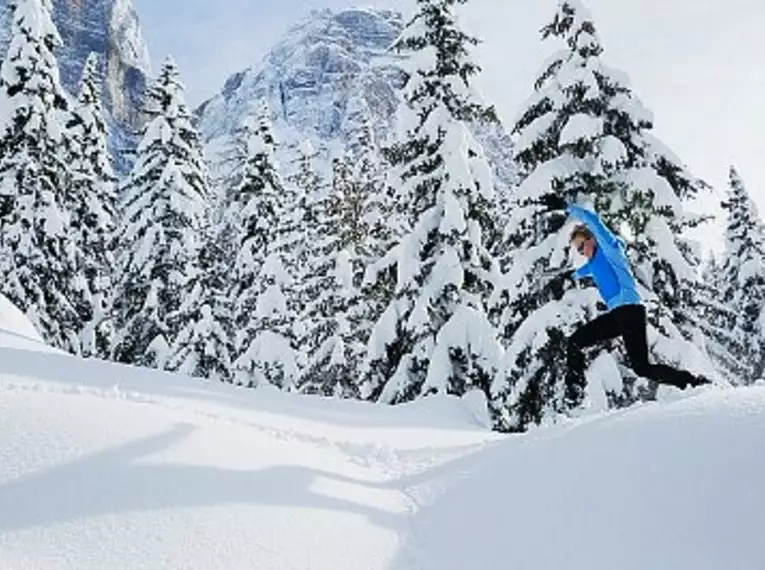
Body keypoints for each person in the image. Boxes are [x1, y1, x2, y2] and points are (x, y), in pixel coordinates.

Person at [539, 193, 710, 390]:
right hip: (617, 315)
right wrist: (566, 278)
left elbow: (592, 219)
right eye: (578, 250)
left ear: (592, 238)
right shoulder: (593, 264)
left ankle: (691, 382)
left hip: (630, 311)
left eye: (582, 246)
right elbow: (581, 272)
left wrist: (566, 206)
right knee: (576, 341)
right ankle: (575, 390)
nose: (582, 252)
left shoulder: (610, 249)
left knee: (642, 368)